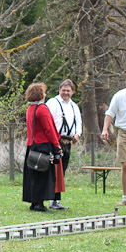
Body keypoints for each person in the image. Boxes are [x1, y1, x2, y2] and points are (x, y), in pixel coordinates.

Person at [23, 82, 63, 212]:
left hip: (32, 145)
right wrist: (56, 145)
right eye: (44, 92)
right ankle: (39, 203)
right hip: (42, 145)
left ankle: (34, 202)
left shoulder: (30, 109)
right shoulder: (42, 109)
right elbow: (49, 129)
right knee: (43, 175)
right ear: (40, 94)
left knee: (34, 174)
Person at [46, 79, 82, 209]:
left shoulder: (74, 106)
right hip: (56, 140)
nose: (66, 93)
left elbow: (78, 122)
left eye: (68, 91)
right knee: (54, 171)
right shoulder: (52, 103)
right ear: (59, 90)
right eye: (63, 90)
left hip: (68, 141)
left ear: (72, 92)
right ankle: (51, 199)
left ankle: (56, 199)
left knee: (62, 171)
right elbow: (48, 122)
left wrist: (77, 134)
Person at [101, 75, 126, 206]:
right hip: (124, 133)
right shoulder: (119, 96)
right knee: (125, 164)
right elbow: (110, 113)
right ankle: (125, 197)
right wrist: (105, 129)